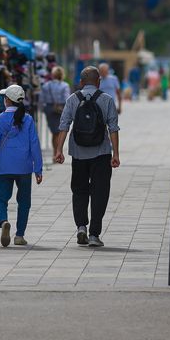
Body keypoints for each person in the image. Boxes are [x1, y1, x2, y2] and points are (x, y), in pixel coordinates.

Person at [54, 66, 120, 248]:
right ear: (99, 81)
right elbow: (113, 128)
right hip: (101, 153)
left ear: (81, 82)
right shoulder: (107, 99)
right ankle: (94, 234)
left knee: (79, 190)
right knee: (100, 192)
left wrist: (58, 150)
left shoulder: (72, 99)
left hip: (78, 153)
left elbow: (64, 125)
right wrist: (116, 154)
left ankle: (81, 226)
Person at [0, 85, 44, 247]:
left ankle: (3, 222)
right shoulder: (28, 119)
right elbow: (34, 144)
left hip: (3, 166)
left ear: (7, 100)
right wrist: (38, 168)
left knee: (1, 198)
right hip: (24, 166)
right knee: (24, 201)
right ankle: (19, 235)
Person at [40, 66, 72, 161]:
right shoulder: (65, 85)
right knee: (60, 131)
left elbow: (42, 99)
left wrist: (43, 109)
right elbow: (67, 99)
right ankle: (58, 153)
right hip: (61, 109)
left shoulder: (46, 85)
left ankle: (55, 153)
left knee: (54, 132)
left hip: (49, 108)